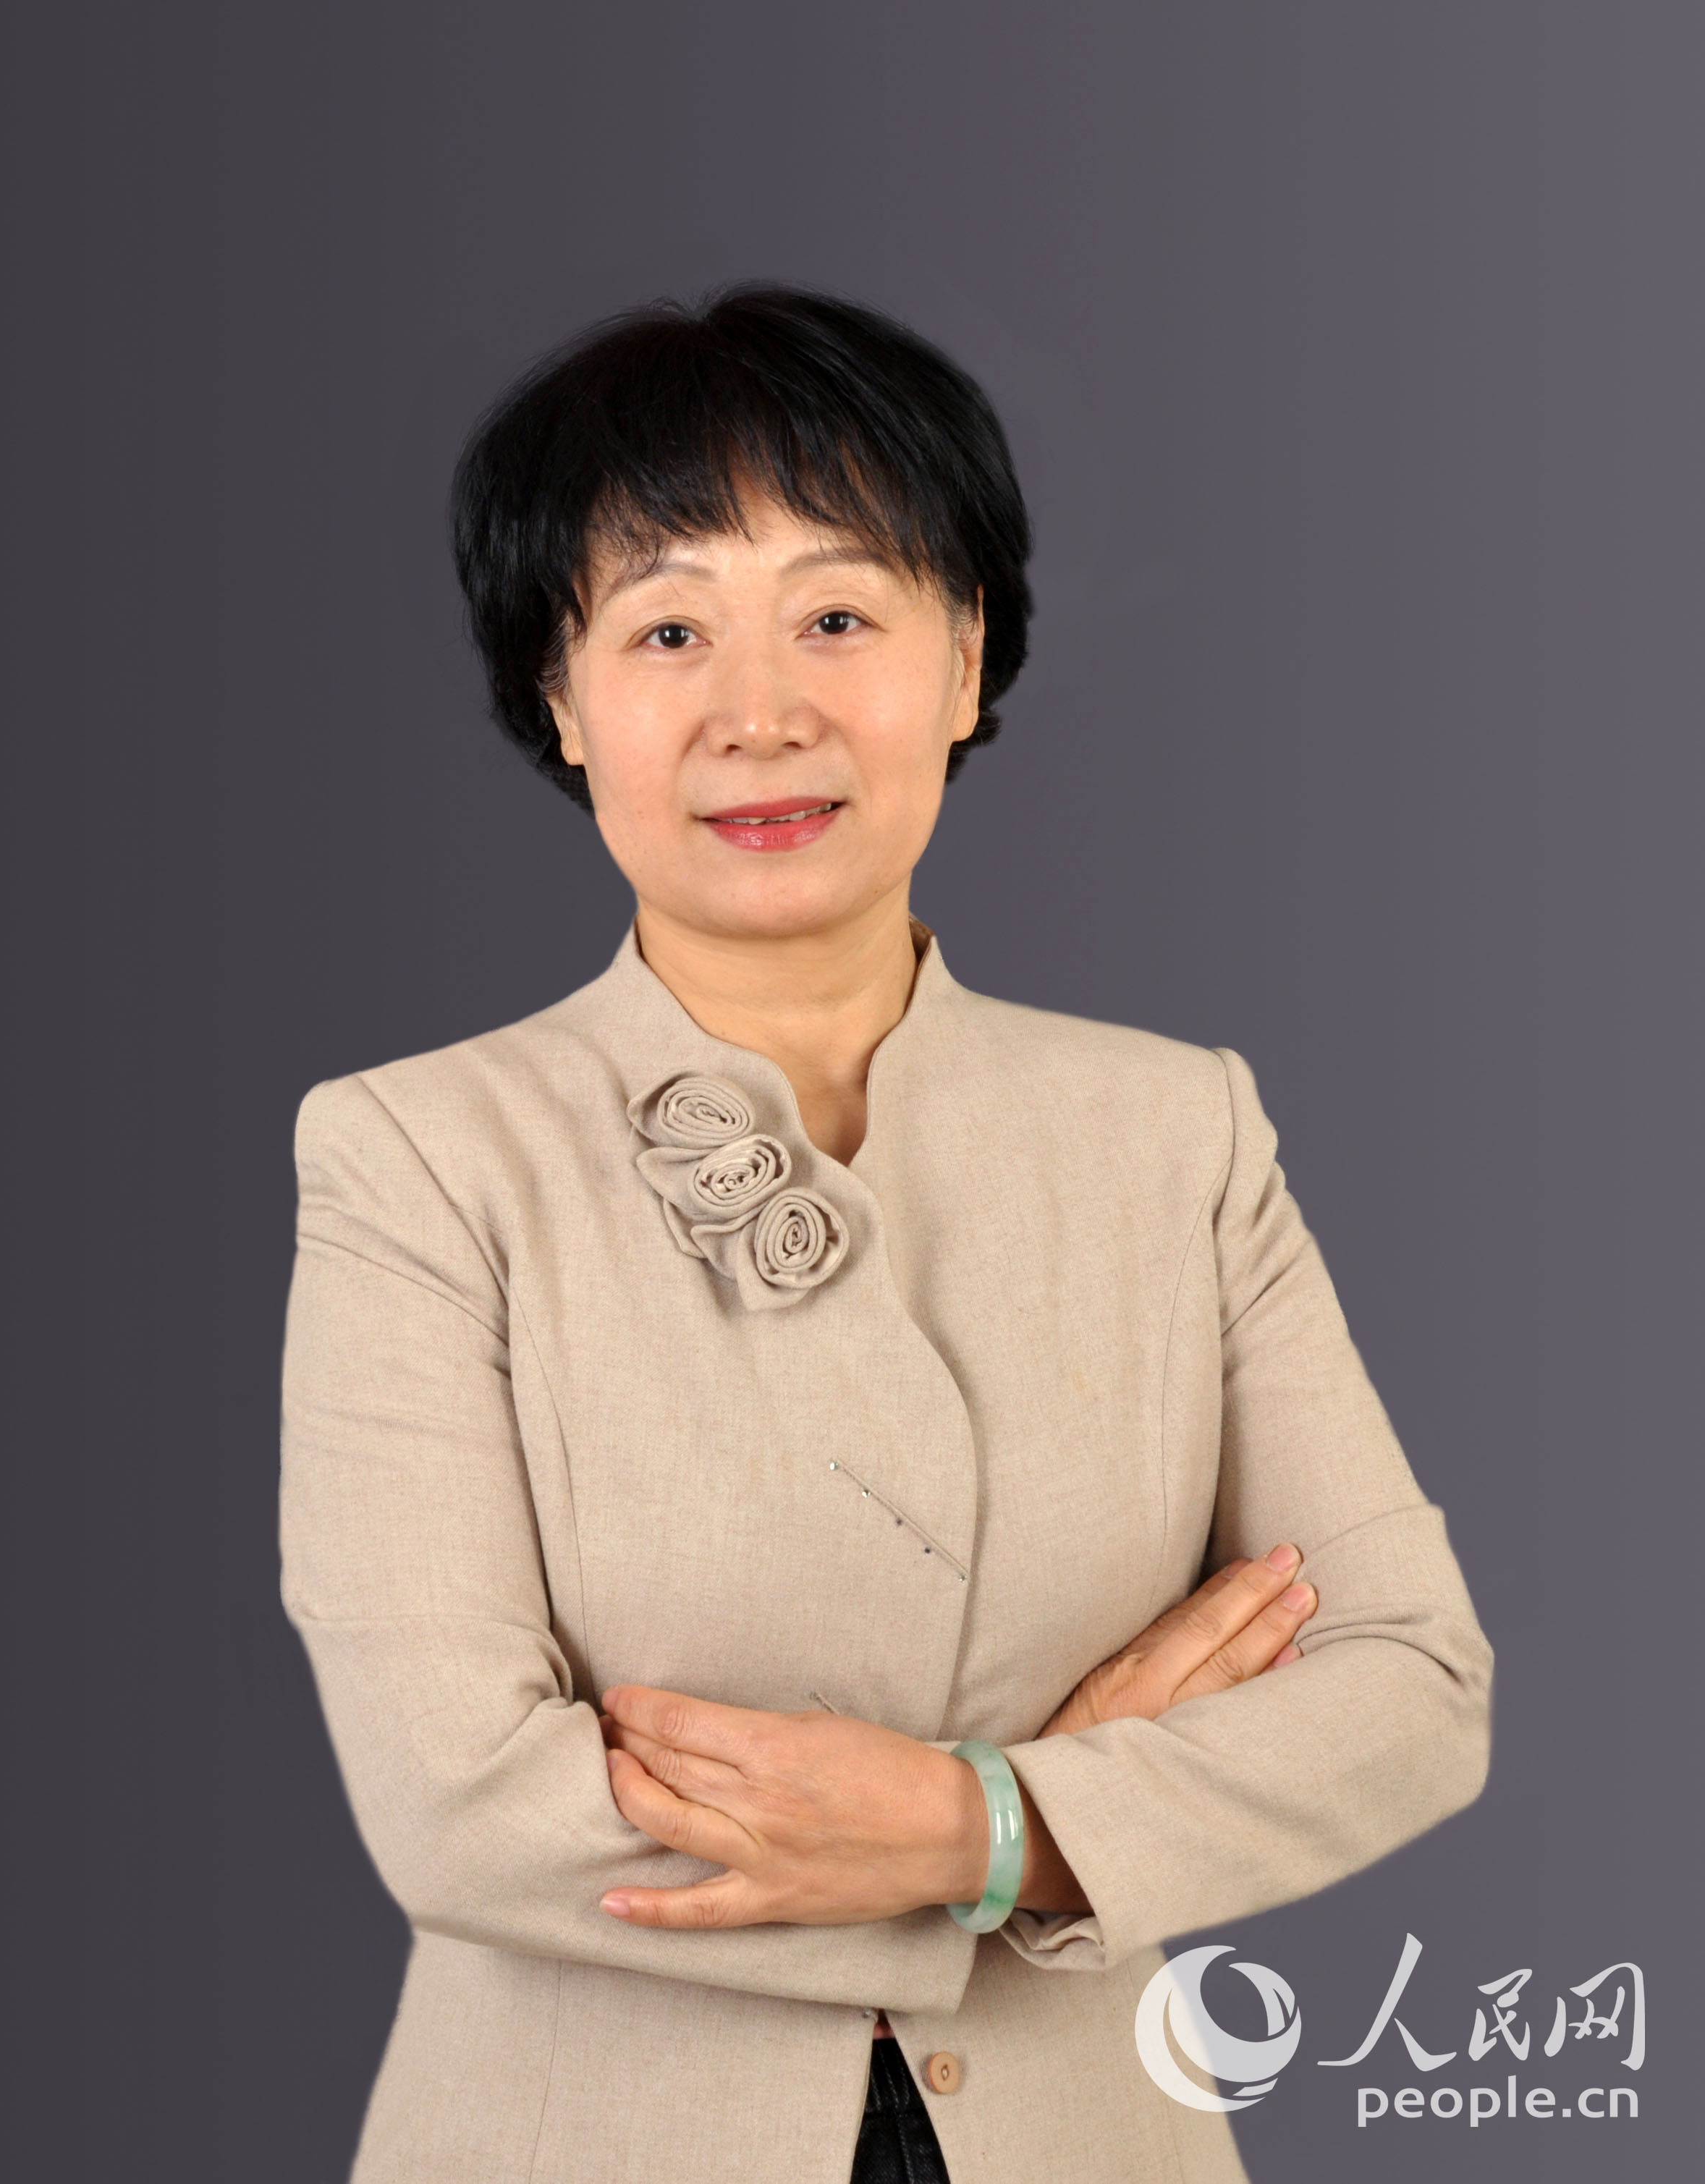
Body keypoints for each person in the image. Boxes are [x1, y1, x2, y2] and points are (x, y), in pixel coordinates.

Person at [279, 285, 1492, 2184]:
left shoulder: (1174, 1131)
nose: (762, 712)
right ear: (562, 700)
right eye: (667, 628)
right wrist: (1052, 1825)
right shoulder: (423, 1158)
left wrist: (978, 1825)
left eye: (839, 617)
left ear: (966, 653)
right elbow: (458, 1804)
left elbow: (1411, 1686)